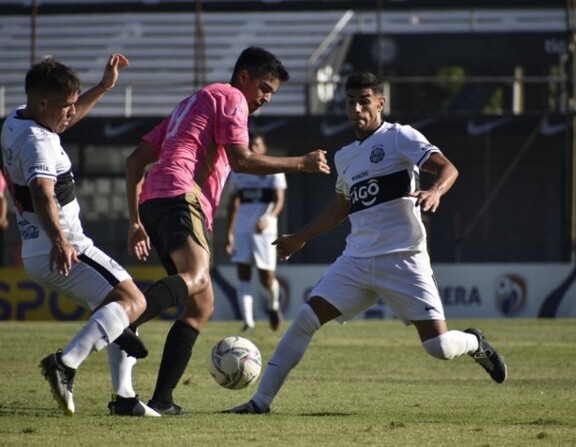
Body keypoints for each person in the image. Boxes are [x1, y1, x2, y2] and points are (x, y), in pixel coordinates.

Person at [224, 71, 508, 415]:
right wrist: (299, 238)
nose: (357, 108)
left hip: (404, 259)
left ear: (380, 103)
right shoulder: (345, 156)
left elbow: (447, 168)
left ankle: (475, 342)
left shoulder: (400, 137)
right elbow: (341, 207)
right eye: (350, 101)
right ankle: (260, 403)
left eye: (364, 101)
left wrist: (435, 190)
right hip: (356, 260)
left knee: (440, 347)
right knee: (303, 319)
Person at [125, 46, 330, 415]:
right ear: (244, 77)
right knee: (198, 277)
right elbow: (242, 159)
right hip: (179, 195)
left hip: (156, 200)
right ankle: (126, 319)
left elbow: (134, 160)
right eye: (264, 88)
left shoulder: (190, 105)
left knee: (201, 304)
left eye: (272, 93)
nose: (265, 98)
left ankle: (162, 401)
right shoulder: (232, 97)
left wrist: (135, 221)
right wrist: (302, 162)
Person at [0, 54, 160, 417]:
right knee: (134, 301)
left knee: (118, 312)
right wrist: (61, 241)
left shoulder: (16, 118)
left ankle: (125, 399)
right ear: (43, 103)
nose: (71, 112)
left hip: (39, 248)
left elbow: (60, 123)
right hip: (64, 245)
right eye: (66, 106)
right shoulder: (36, 142)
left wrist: (103, 87)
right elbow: (42, 193)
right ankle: (65, 363)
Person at [225, 131, 287, 332]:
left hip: (264, 230)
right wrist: (230, 233)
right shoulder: (238, 171)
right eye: (250, 144)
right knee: (243, 274)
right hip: (242, 229)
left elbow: (279, 200)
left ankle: (273, 306)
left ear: (264, 148)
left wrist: (269, 218)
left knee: (266, 278)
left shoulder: (273, 169)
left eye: (257, 145)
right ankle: (248, 322)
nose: (253, 148)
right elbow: (232, 203)